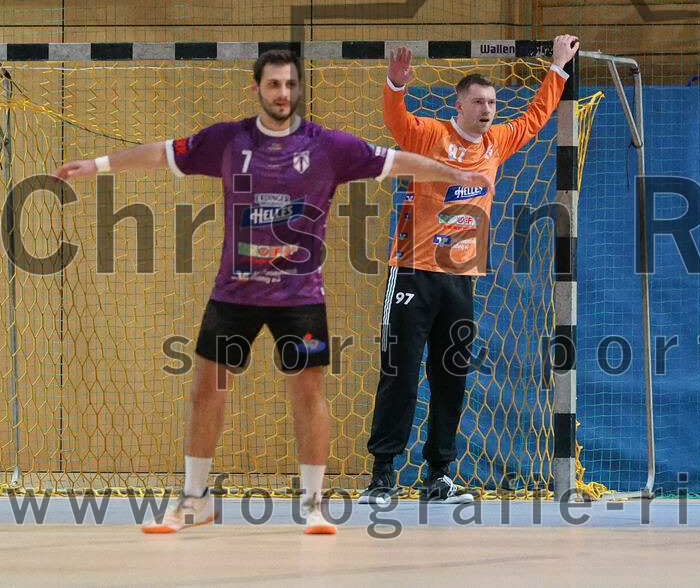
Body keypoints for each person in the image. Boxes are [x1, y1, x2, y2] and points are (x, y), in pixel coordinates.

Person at [53, 49, 491, 533]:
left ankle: (314, 508)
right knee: (207, 391)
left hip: (299, 297)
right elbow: (163, 152)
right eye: (273, 84)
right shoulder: (227, 140)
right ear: (257, 89)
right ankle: (194, 500)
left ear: (298, 90)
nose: (282, 93)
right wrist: (96, 165)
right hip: (234, 294)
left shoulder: (328, 145)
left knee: (307, 394)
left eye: (289, 84)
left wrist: (452, 174)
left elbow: (394, 161)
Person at [358, 35, 579, 504]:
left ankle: (438, 474)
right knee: (399, 373)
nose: (488, 108)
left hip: (461, 279)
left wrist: (558, 66)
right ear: (458, 106)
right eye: (478, 101)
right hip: (413, 271)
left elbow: (536, 117)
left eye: (493, 101)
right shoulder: (430, 136)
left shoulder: (497, 143)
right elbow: (396, 122)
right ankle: (382, 475)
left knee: (451, 375)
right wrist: (395, 86)